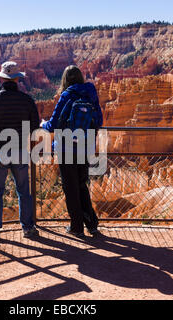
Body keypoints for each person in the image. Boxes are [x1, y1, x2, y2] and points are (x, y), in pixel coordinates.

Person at [0, 61, 40, 240]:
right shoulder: (27, 101)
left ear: (2, 79)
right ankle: (28, 228)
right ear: (17, 80)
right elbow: (35, 128)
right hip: (20, 150)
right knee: (23, 191)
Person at [41, 65, 103, 238]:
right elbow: (99, 119)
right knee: (82, 185)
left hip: (66, 148)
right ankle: (92, 225)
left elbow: (53, 124)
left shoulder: (66, 95)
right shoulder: (90, 92)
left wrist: (42, 125)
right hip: (86, 147)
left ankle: (76, 227)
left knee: (71, 188)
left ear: (65, 80)